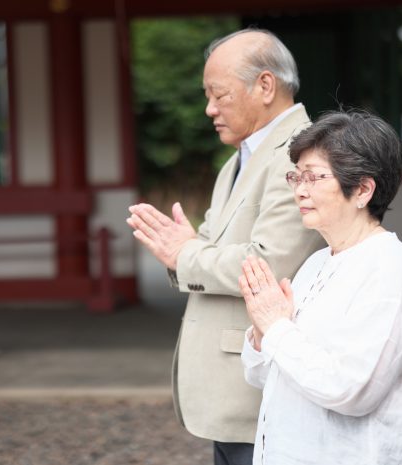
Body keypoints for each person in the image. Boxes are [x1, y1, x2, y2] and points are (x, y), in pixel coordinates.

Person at [126, 29, 324, 465]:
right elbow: (207, 248)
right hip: (232, 385)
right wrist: (184, 250)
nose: (209, 109)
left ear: (265, 86)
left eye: (219, 95)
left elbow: (270, 261)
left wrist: (185, 253)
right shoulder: (240, 158)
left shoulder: (301, 153)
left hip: (262, 382)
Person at [238, 110, 402, 465]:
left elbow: (352, 389)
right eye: (295, 177)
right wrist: (260, 331)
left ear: (362, 189)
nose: (300, 190)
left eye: (313, 177)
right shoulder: (317, 262)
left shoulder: (388, 268)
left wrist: (277, 329)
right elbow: (266, 374)